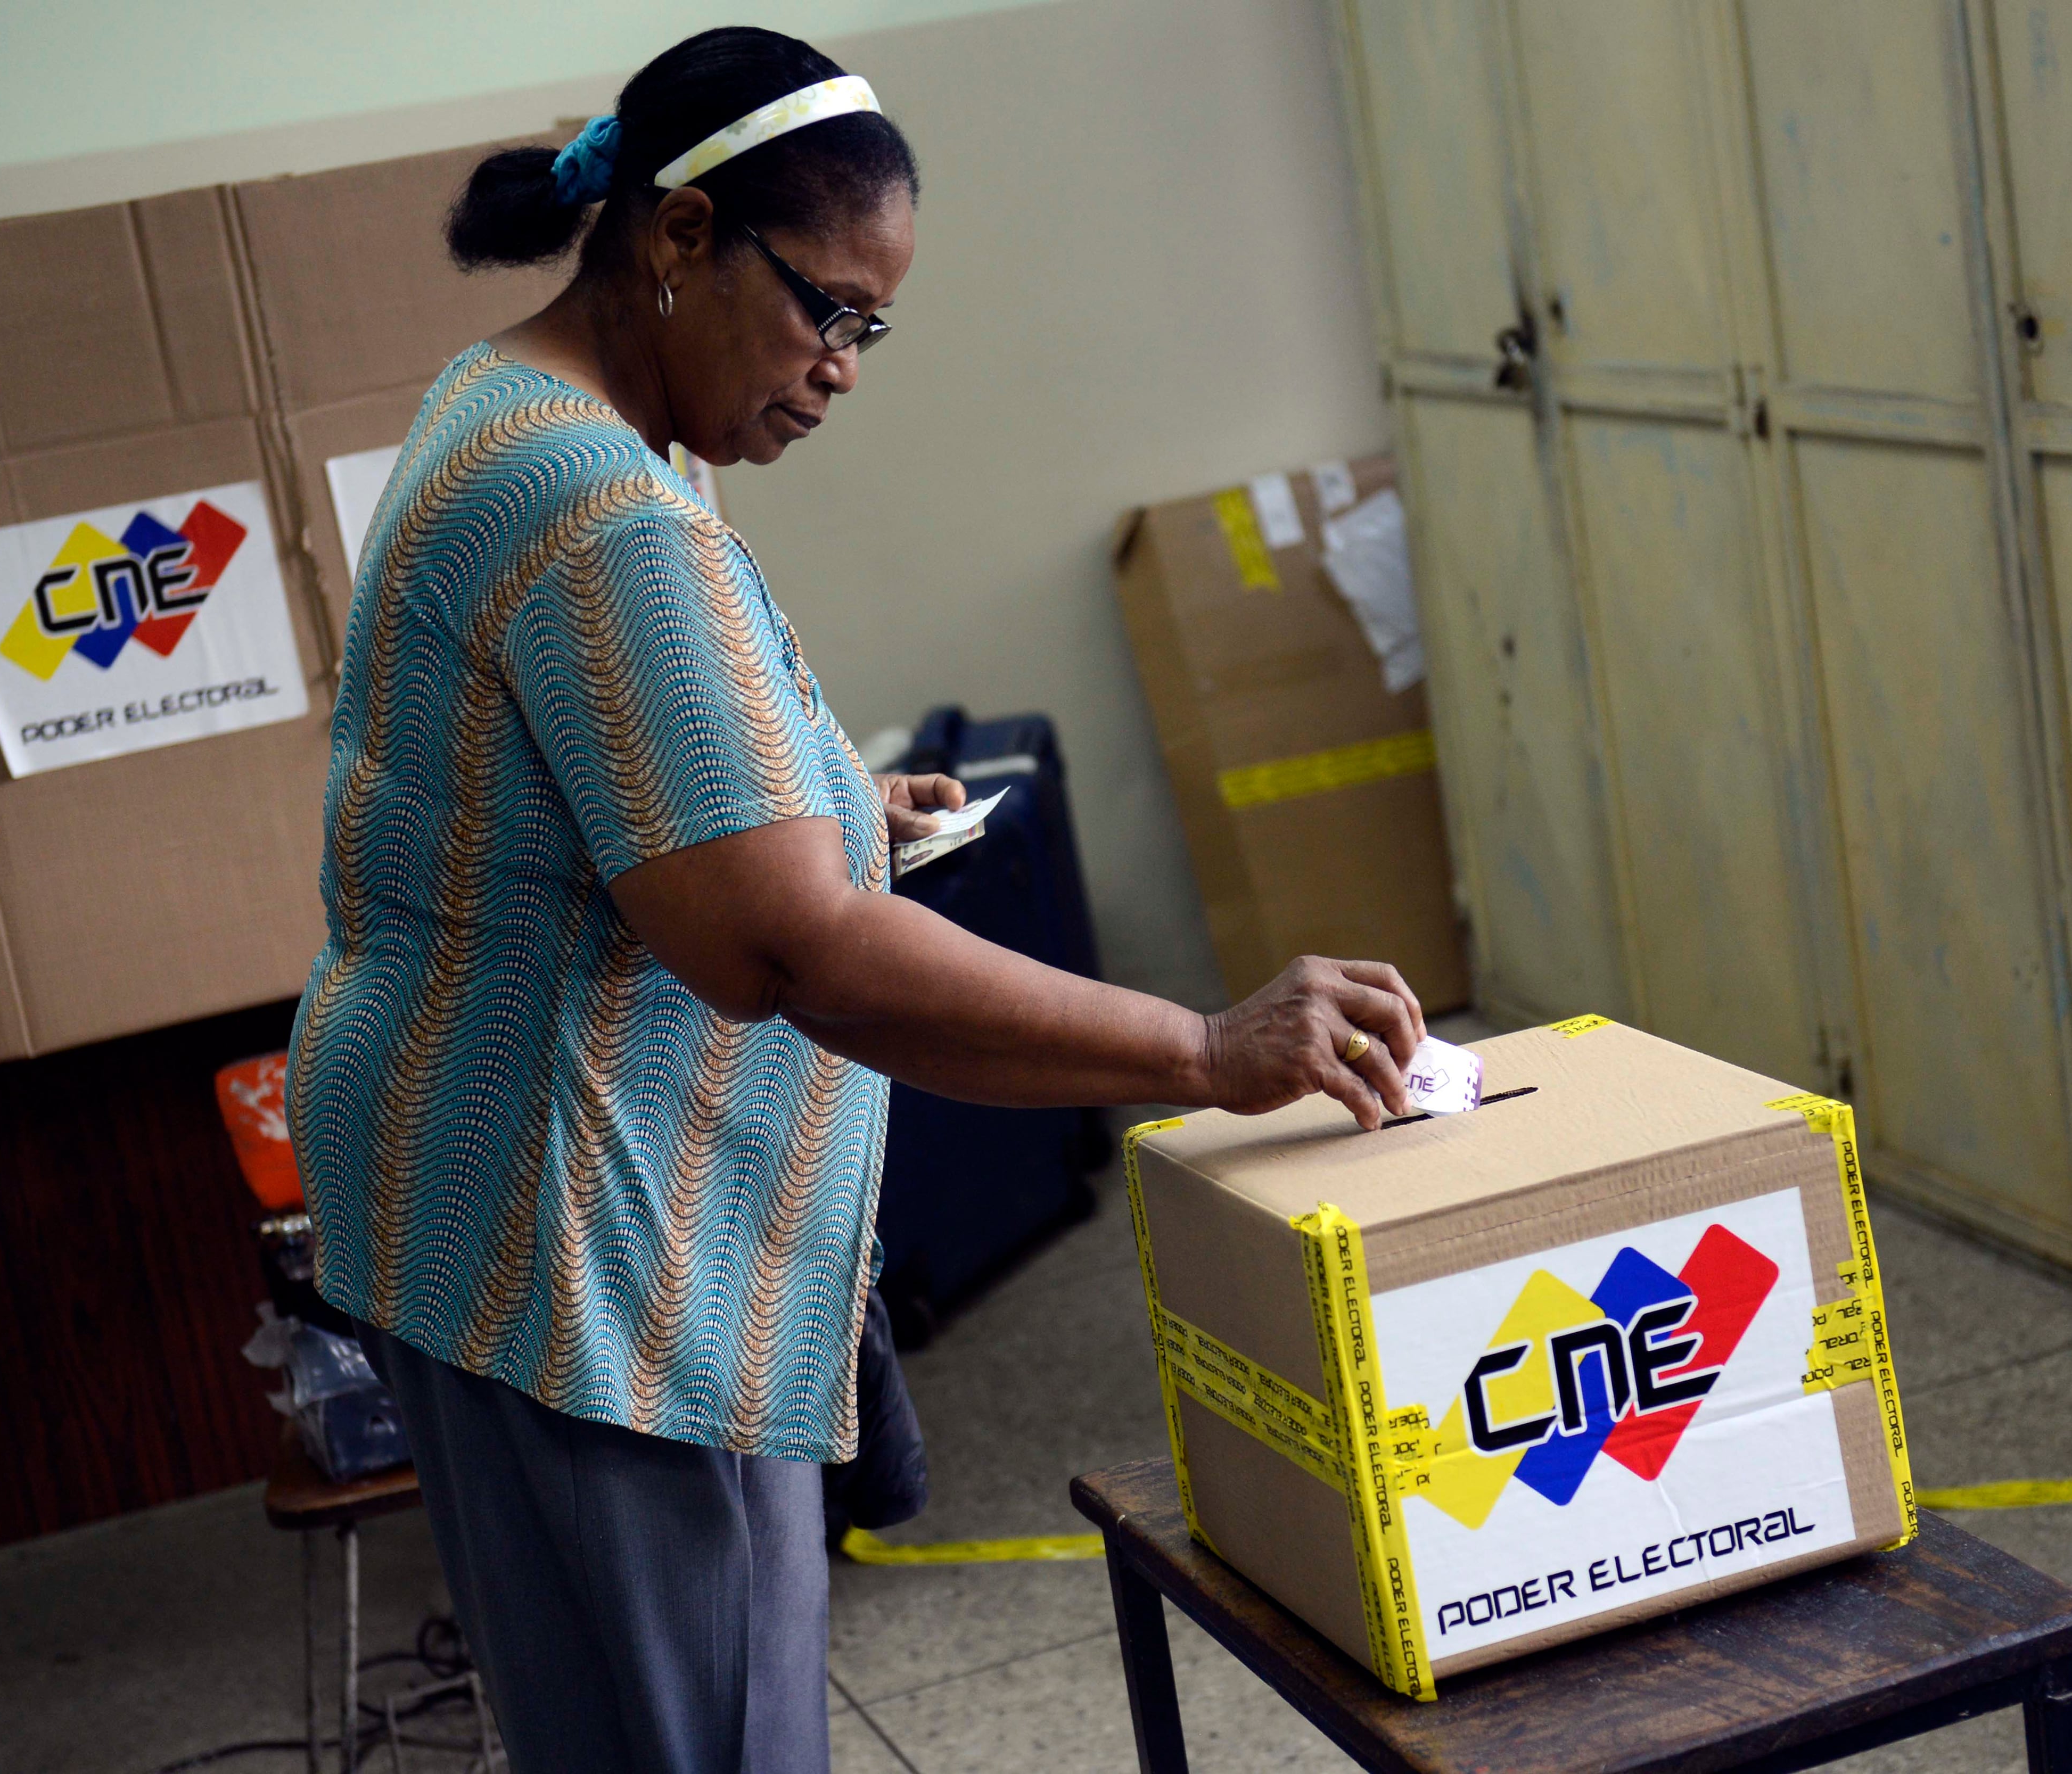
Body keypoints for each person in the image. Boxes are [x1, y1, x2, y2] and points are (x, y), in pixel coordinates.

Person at [286, 25, 1424, 1774]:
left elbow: (591, 790)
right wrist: (1203, 1044)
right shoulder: (601, 508)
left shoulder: (520, 403)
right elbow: (790, 952)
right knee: (703, 1738)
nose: (843, 367)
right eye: (828, 307)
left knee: (619, 1716)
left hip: (483, 1178)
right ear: (675, 240)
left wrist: (820, 805)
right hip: (584, 1239)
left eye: (870, 328)